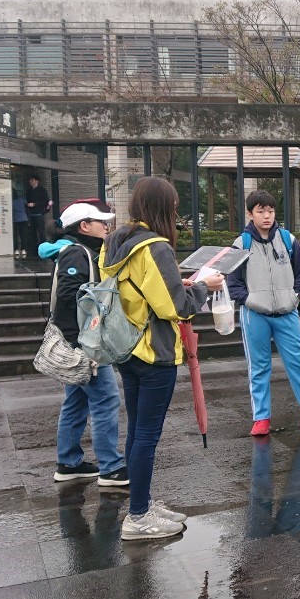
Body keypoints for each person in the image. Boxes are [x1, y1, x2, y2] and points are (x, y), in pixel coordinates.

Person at [100, 177, 224, 540]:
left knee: (137, 430)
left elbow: (140, 291)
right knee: (146, 435)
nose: (176, 214)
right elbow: (176, 308)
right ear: (162, 208)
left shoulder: (114, 243)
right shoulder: (155, 247)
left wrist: (177, 284)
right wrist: (203, 287)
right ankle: (138, 517)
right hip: (154, 351)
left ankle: (141, 503)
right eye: (173, 208)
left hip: (126, 346)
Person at [226, 191, 300, 437]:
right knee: (259, 367)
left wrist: (296, 296)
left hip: (287, 312)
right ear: (250, 214)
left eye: (270, 211)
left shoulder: (287, 239)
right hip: (254, 314)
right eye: (260, 211)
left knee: (299, 364)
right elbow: (233, 281)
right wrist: (248, 300)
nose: (266, 216)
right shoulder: (241, 243)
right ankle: (261, 418)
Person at [41, 200, 127, 486]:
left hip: (77, 339)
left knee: (76, 401)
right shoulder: (77, 253)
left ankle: (69, 463)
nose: (107, 226)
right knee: (106, 399)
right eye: (101, 221)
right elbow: (69, 293)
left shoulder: (80, 251)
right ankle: (111, 467)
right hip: (83, 342)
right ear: (84, 226)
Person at [24, 174, 52, 258]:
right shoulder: (28, 191)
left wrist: (35, 204)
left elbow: (45, 202)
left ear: (37, 181)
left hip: (39, 213)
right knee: (32, 233)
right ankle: (34, 250)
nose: (30, 182)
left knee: (41, 232)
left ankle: (43, 249)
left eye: (32, 180)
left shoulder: (42, 190)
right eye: (30, 180)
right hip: (31, 214)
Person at [12, 191, 28, 256]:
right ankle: (23, 249)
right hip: (24, 219)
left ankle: (16, 250)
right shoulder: (22, 200)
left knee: (15, 236)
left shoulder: (12, 202)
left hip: (16, 220)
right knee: (23, 236)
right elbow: (27, 205)